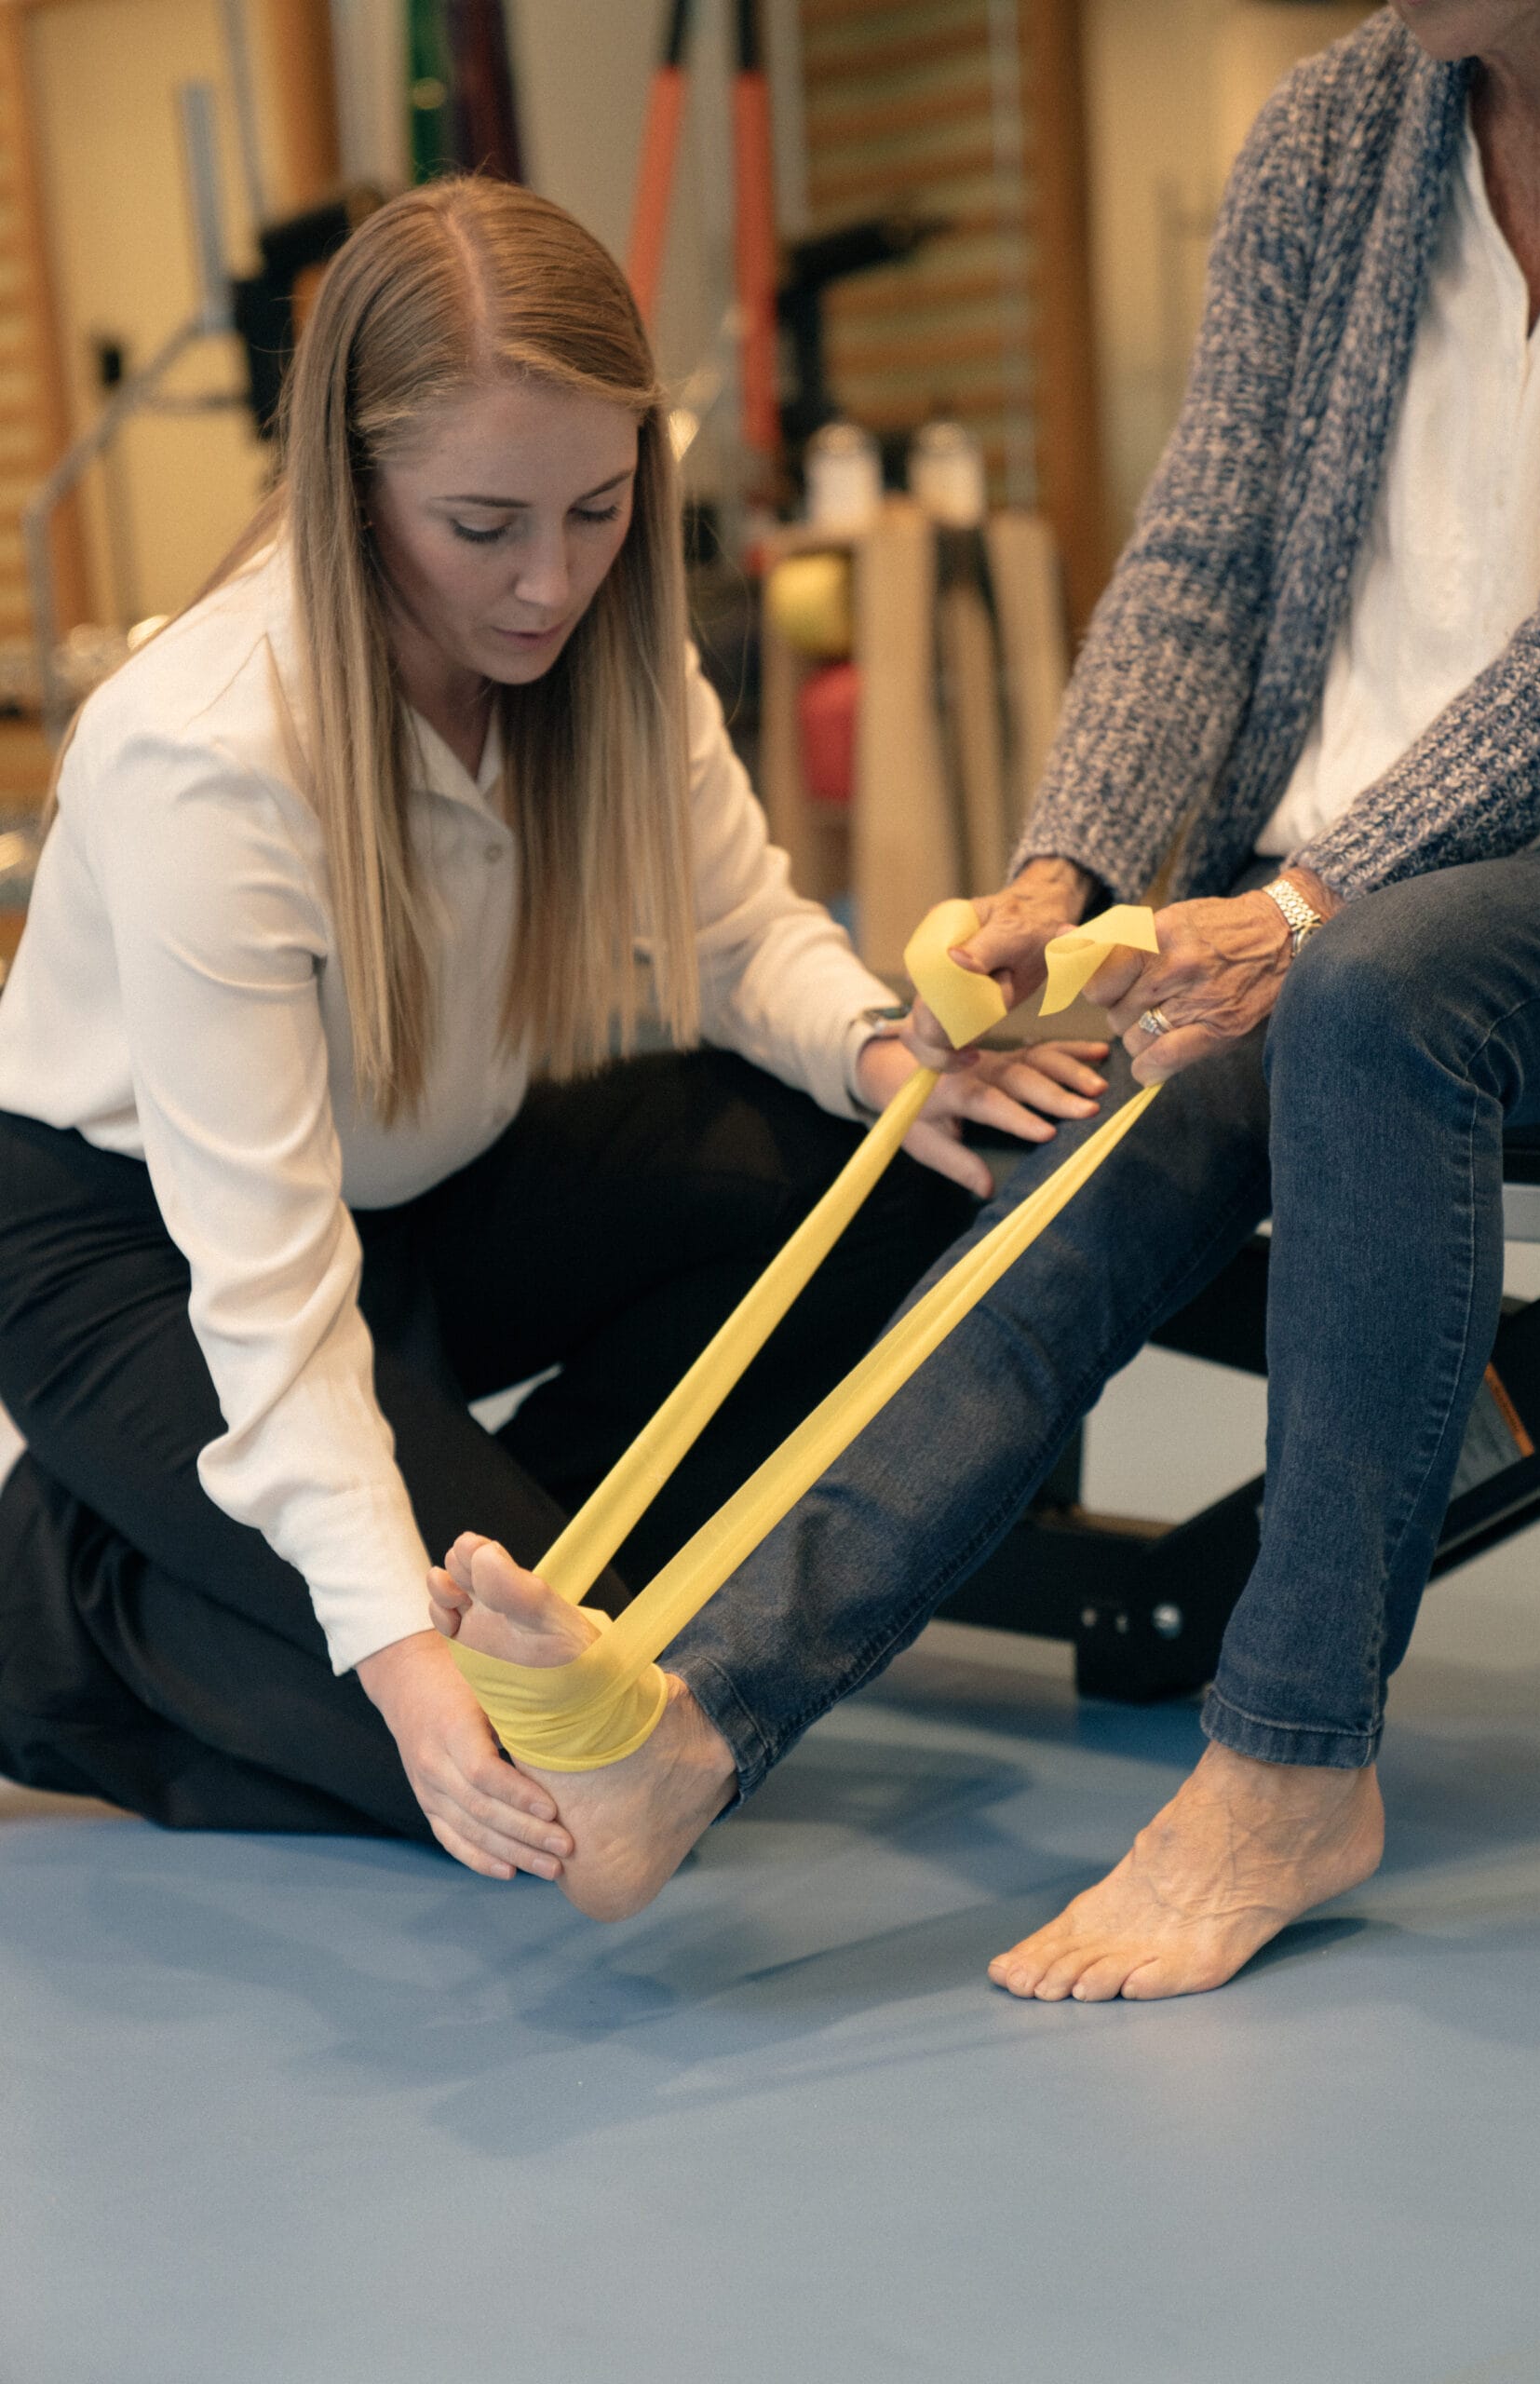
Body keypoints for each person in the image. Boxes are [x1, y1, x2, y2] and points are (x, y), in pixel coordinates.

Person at [424, 0, 1540, 1975]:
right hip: (1322, 911)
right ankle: (700, 1724)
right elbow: (1201, 559)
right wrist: (1069, 875)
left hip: (1464, 906)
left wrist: (1307, 901)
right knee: (1097, 1110)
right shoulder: (1331, 136)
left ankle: (1292, 1759)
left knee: (1369, 991)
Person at [0, 180, 1112, 1880]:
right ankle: (62, 1608)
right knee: (555, 1785)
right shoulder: (204, 750)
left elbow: (740, 935)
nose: (548, 584)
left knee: (891, 1164)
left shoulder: (606, 635)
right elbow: (274, 1283)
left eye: (596, 510)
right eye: (483, 524)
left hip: (429, 1200)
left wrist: (898, 1058)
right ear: (352, 490)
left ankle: (489, 1569)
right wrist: (407, 1675)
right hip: (139, 1256)